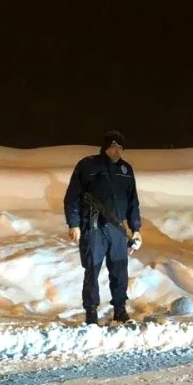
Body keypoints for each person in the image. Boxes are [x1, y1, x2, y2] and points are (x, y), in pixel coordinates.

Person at [64, 131, 142, 325]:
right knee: (92, 270)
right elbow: (72, 196)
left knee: (119, 270)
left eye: (121, 148)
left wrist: (136, 228)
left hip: (117, 229)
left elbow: (133, 200)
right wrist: (74, 224)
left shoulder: (125, 169)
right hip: (93, 228)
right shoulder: (88, 165)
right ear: (106, 147)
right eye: (114, 147)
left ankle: (120, 310)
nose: (117, 151)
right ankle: (91, 312)